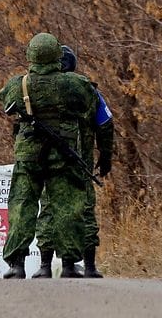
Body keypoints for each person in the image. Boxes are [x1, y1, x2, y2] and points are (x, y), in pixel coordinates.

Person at [0, 33, 98, 279]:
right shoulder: (74, 83)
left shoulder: (18, 84)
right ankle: (68, 265)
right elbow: (88, 103)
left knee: (22, 206)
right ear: (57, 55)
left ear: (31, 56)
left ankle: (16, 265)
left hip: (28, 156)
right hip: (62, 156)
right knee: (67, 208)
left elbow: (5, 101)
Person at [32, 45, 114, 279]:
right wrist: (105, 156)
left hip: (48, 161)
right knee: (83, 209)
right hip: (80, 163)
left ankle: (45, 266)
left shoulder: (41, 88)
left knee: (48, 207)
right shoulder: (87, 89)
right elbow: (106, 124)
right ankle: (85, 267)